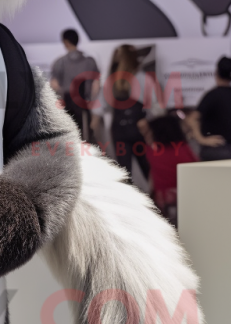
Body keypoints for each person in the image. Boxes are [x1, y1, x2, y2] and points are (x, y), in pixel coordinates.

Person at [142, 114, 198, 225]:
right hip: (186, 194)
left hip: (163, 198)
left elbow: (152, 176)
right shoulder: (183, 149)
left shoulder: (151, 152)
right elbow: (196, 168)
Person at [108, 44, 151, 183]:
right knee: (132, 169)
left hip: (132, 129)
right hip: (126, 128)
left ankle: (153, 194)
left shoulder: (140, 78)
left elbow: (153, 104)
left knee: (140, 168)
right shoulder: (114, 80)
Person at [189, 56, 231, 160]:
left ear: (217, 72)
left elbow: (192, 118)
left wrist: (201, 139)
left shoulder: (213, 95)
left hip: (215, 149)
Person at [50, 28, 100, 140]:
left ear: (65, 42)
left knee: (70, 136)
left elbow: (54, 84)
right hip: (84, 102)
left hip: (67, 102)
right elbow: (96, 84)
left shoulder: (60, 62)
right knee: (85, 136)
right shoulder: (89, 61)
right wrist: (91, 100)